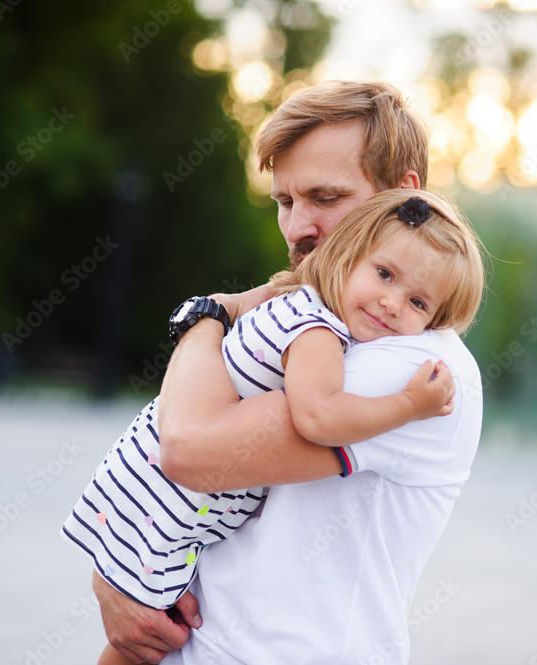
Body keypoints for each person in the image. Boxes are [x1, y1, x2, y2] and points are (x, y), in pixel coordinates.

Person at [93, 80, 484, 665]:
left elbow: (188, 448)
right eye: (284, 201)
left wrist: (205, 319)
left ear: (405, 197)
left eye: (325, 197)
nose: (297, 227)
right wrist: (122, 573)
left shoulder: (413, 365)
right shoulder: (330, 321)